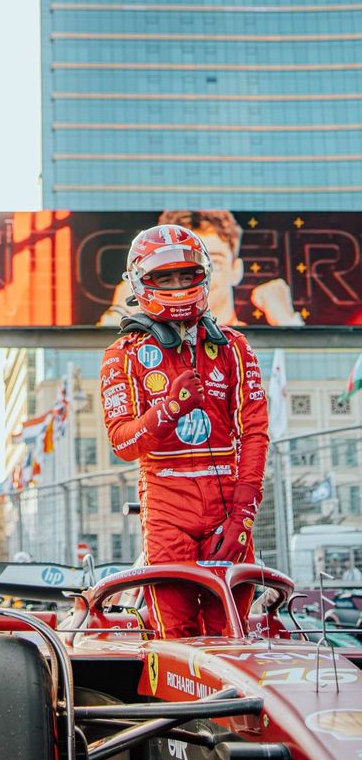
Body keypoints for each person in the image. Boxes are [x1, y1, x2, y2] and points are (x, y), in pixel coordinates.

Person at [99, 223, 269, 638]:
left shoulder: (234, 348)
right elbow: (122, 442)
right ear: (141, 282)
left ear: (204, 277)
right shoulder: (122, 355)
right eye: (164, 276)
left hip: (229, 505)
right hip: (166, 505)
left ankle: (229, 706)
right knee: (173, 633)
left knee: (230, 631)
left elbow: (255, 433)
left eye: (185, 274)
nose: (177, 284)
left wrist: (243, 514)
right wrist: (169, 409)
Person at [98, 208, 302, 329]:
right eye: (171, 272)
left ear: (236, 269)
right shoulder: (143, 346)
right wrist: (118, 313)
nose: (194, 280)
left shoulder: (241, 347)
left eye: (215, 264)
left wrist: (287, 324)